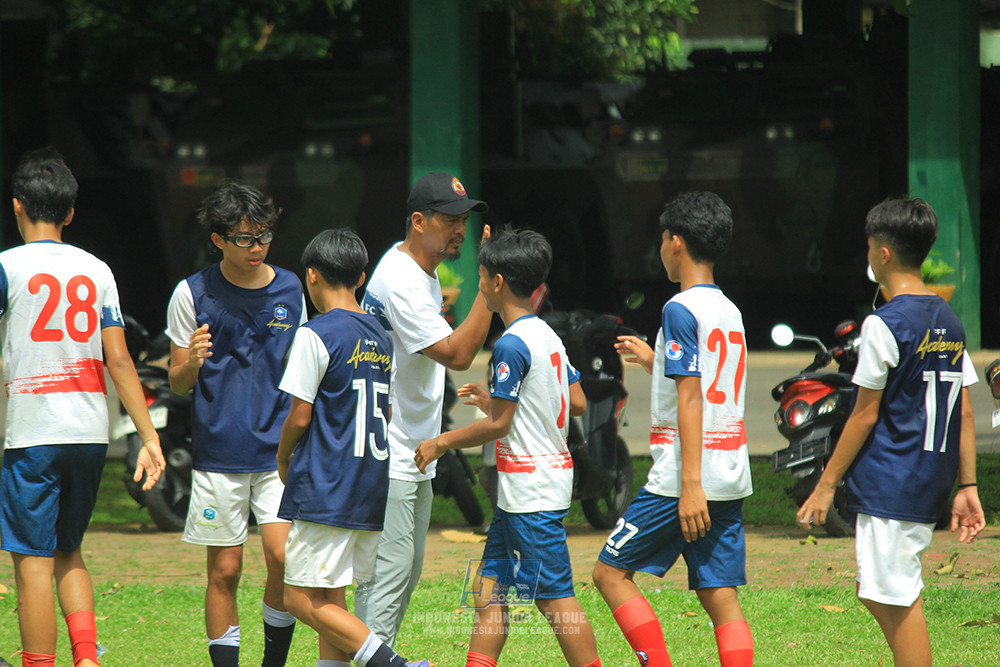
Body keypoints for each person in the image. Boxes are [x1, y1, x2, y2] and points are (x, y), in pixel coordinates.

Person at [797, 197, 985, 667]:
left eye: (868, 248)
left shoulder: (884, 323)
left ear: (882, 253)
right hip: (925, 479)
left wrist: (825, 485)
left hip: (893, 482)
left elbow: (862, 415)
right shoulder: (950, 321)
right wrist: (967, 485)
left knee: (897, 598)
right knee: (878, 592)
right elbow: (963, 412)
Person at [0, 147, 166, 667]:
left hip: (31, 432)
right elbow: (119, 360)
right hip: (90, 432)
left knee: (31, 562)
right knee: (69, 549)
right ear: (70, 213)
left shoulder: (6, 267)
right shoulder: (98, 270)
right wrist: (149, 436)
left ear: (17, 205)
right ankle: (87, 658)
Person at [415, 227, 601, 667]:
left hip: (530, 491)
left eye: (480, 275)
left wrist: (441, 441)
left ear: (497, 283)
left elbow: (499, 426)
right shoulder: (546, 334)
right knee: (488, 590)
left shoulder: (510, 344)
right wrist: (503, 398)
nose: (478, 284)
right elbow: (575, 400)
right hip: (533, 488)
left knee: (554, 601)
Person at [592, 191, 754, 667]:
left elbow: (690, 395)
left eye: (662, 239)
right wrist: (656, 359)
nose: (661, 248)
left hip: (687, 478)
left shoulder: (678, 309)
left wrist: (689, 485)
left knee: (610, 575)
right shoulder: (730, 310)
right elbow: (710, 380)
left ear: (676, 242)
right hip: (730, 471)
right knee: (720, 596)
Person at [166, 181, 306, 667]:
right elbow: (178, 381)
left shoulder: (292, 288)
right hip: (219, 454)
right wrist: (193, 362)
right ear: (218, 239)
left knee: (283, 559)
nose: (257, 247)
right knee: (224, 571)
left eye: (264, 236)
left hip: (278, 454)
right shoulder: (192, 293)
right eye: (244, 238)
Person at [275, 229, 429, 667]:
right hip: (368, 485)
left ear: (311, 276)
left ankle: (394, 665)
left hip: (327, 484)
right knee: (331, 599)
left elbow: (299, 416)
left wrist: (283, 458)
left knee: (299, 599)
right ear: (361, 278)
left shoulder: (315, 333)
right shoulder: (380, 336)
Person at [357, 172, 493, 647]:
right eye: (450, 219)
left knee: (402, 575)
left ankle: (371, 656)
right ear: (419, 221)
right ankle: (373, 659)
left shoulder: (419, 271)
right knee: (389, 579)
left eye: (464, 219)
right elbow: (456, 354)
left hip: (414, 447)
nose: (460, 228)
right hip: (391, 452)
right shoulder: (402, 282)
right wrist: (488, 292)